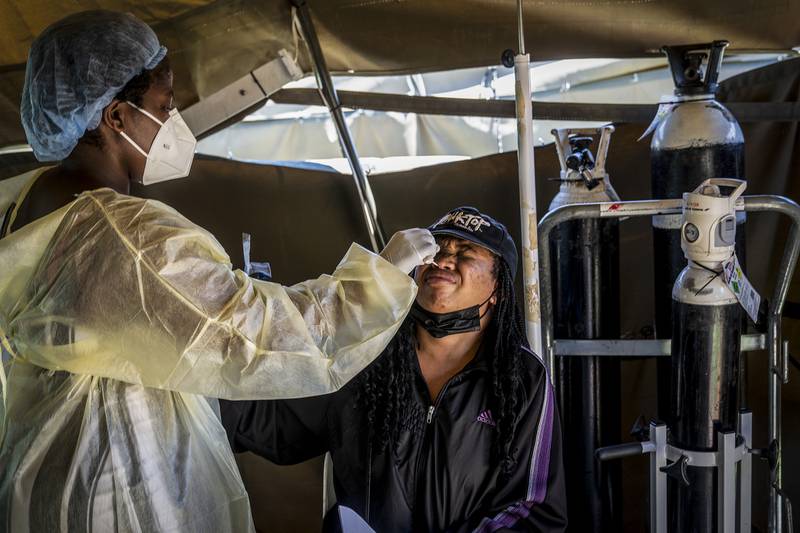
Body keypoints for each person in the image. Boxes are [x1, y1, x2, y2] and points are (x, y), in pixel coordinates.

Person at [0, 10, 438, 533]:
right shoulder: (124, 236)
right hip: (117, 477)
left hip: (42, 464)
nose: (174, 120)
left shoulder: (22, 203)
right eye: (164, 105)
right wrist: (379, 282)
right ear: (115, 117)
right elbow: (248, 333)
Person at [222, 206, 568, 532]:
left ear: (499, 290)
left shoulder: (522, 377)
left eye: (464, 253)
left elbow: (534, 509)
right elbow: (275, 423)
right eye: (435, 249)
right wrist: (217, 361)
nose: (444, 258)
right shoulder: (367, 353)